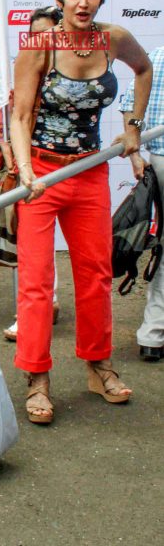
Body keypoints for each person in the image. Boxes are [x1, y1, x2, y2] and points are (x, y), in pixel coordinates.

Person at [10, 0, 152, 423]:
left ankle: (98, 365)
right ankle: (37, 378)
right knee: (36, 283)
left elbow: (144, 70)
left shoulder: (113, 40)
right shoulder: (40, 44)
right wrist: (26, 170)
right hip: (43, 176)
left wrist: (132, 126)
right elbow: (21, 115)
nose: (83, 2)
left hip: (89, 173)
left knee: (94, 275)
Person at [3, 7, 63, 343]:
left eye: (50, 32)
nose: (44, 40)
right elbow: (17, 118)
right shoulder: (27, 66)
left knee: (41, 248)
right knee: (28, 244)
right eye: (37, 34)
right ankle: (33, 312)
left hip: (69, 165)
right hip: (30, 165)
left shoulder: (74, 72)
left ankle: (47, 304)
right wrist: (15, 159)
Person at [122, 43, 164, 362]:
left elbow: (127, 103)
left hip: (159, 157)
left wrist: (136, 154)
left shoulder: (156, 54)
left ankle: (153, 333)